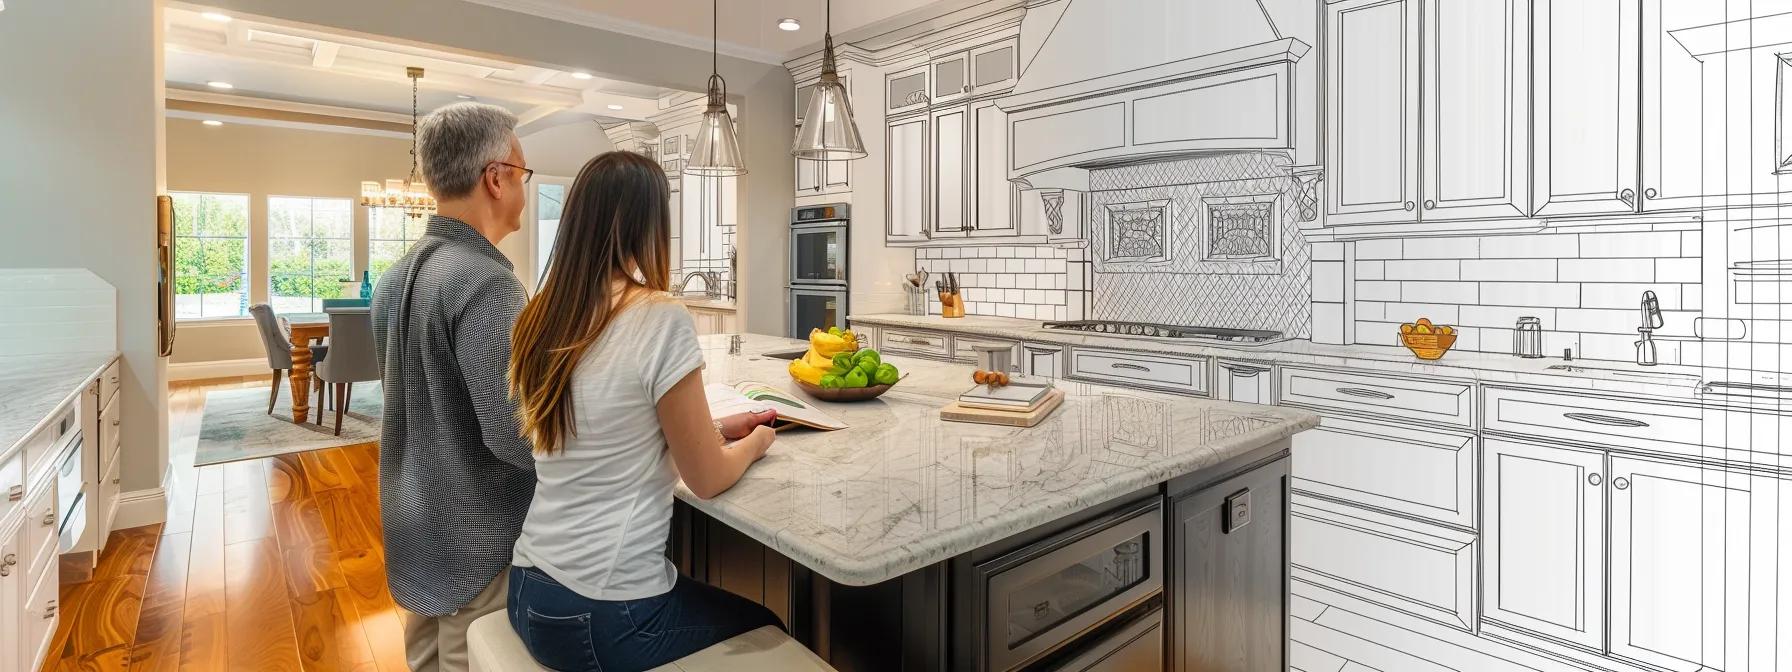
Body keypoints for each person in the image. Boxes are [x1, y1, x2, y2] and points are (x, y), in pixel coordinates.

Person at [505, 151, 781, 672]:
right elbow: (707, 478)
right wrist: (757, 442)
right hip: (604, 612)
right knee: (771, 625)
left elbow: (609, 430)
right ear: (648, 226)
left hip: (527, 588)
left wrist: (717, 428)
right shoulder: (658, 315)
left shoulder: (541, 318)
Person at [369, 101, 536, 672]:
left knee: (426, 659)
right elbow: (515, 433)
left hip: (413, 512)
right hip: (477, 535)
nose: (523, 186)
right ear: (496, 178)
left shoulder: (397, 277)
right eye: (522, 172)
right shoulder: (486, 283)